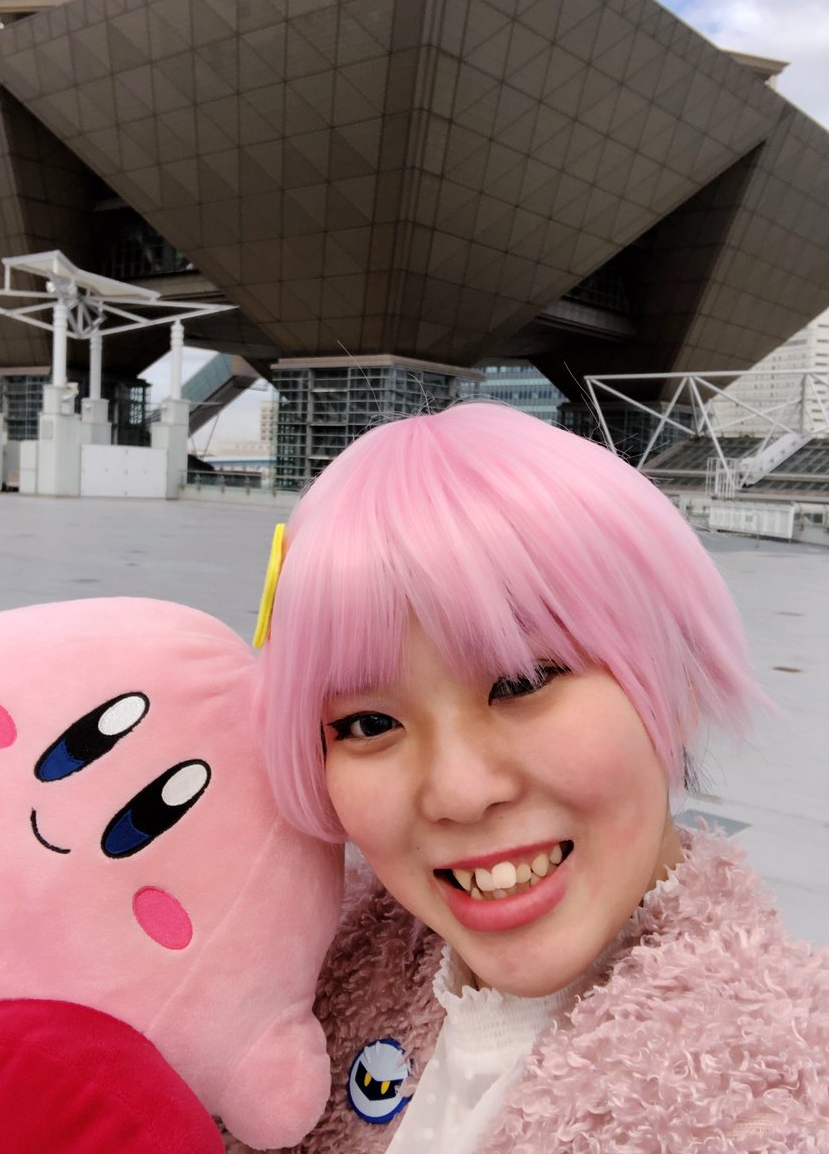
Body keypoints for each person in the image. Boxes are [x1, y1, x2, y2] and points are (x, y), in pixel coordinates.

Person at [240, 403, 828, 1154]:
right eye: (367, 723)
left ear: (670, 676)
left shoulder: (771, 1104)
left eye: (522, 681)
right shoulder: (310, 979)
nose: (459, 792)